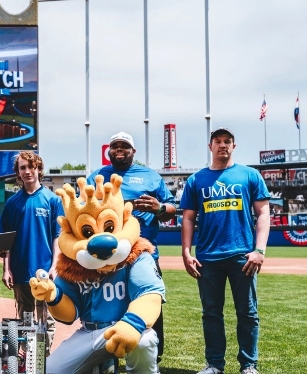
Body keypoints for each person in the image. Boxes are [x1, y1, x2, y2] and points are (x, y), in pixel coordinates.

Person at [180, 127, 270, 374]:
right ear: (210, 146)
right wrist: (186, 252)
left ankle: (249, 365)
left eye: (227, 141)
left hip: (242, 256)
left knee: (248, 313)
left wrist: (259, 250)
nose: (223, 145)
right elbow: (188, 218)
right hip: (207, 258)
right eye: (218, 141)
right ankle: (214, 365)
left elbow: (263, 213)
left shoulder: (250, 175)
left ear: (234, 146)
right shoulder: (196, 180)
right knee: (211, 313)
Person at [87, 131, 176, 364]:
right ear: (109, 151)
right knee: (108, 306)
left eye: (124, 146)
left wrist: (158, 208)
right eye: (115, 145)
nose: (119, 149)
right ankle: (107, 357)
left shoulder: (150, 177)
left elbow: (173, 209)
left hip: (143, 253)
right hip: (108, 255)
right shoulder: (97, 177)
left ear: (133, 152)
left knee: (147, 301)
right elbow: (85, 211)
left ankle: (151, 357)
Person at [0, 151, 64, 355]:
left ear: (38, 169)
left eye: (31, 166)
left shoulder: (52, 200)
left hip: (46, 271)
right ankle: (27, 358)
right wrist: (6, 269)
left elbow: (57, 237)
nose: (27, 171)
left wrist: (55, 266)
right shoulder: (12, 203)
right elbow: (6, 241)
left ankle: (44, 358)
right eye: (22, 168)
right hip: (20, 270)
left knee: (47, 319)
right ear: (18, 172)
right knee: (25, 320)